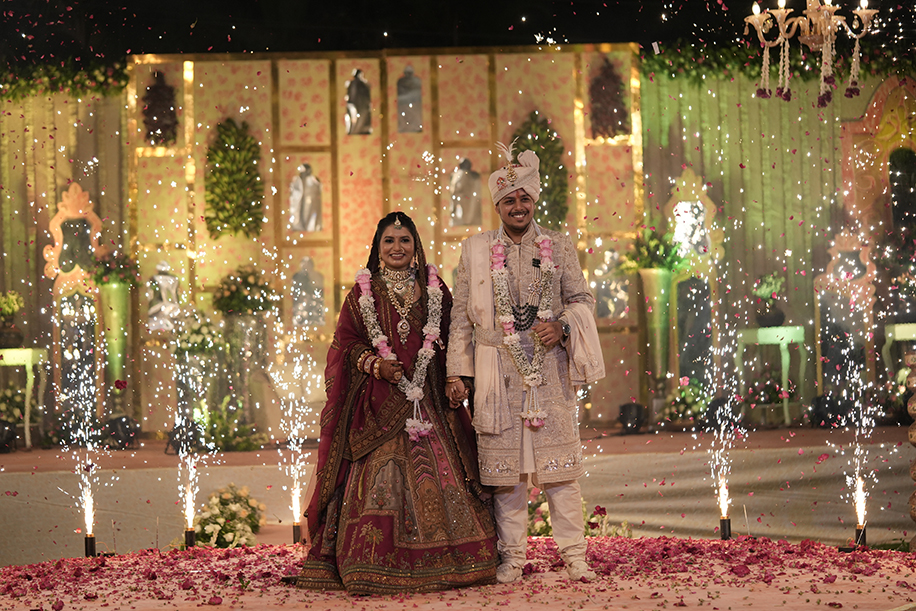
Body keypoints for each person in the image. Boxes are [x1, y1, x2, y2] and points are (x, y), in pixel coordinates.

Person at [293, 211, 497, 594]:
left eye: (404, 240)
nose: (397, 247)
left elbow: (456, 336)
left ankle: (455, 560)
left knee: (447, 476)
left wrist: (459, 378)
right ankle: (371, 563)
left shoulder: (435, 289)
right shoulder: (362, 294)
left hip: (430, 402)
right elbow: (345, 345)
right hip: (380, 406)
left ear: (415, 246)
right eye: (389, 240)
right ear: (378, 247)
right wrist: (376, 365)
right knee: (382, 475)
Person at [445, 141, 606, 584]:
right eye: (509, 200)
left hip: (548, 369)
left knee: (561, 472)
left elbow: (582, 299)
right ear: (497, 205)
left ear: (534, 201)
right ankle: (512, 557)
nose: (518, 207)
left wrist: (564, 326)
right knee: (507, 475)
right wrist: (457, 371)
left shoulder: (559, 245)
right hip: (496, 371)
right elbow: (460, 315)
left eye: (524, 199)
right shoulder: (476, 250)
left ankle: (574, 555)